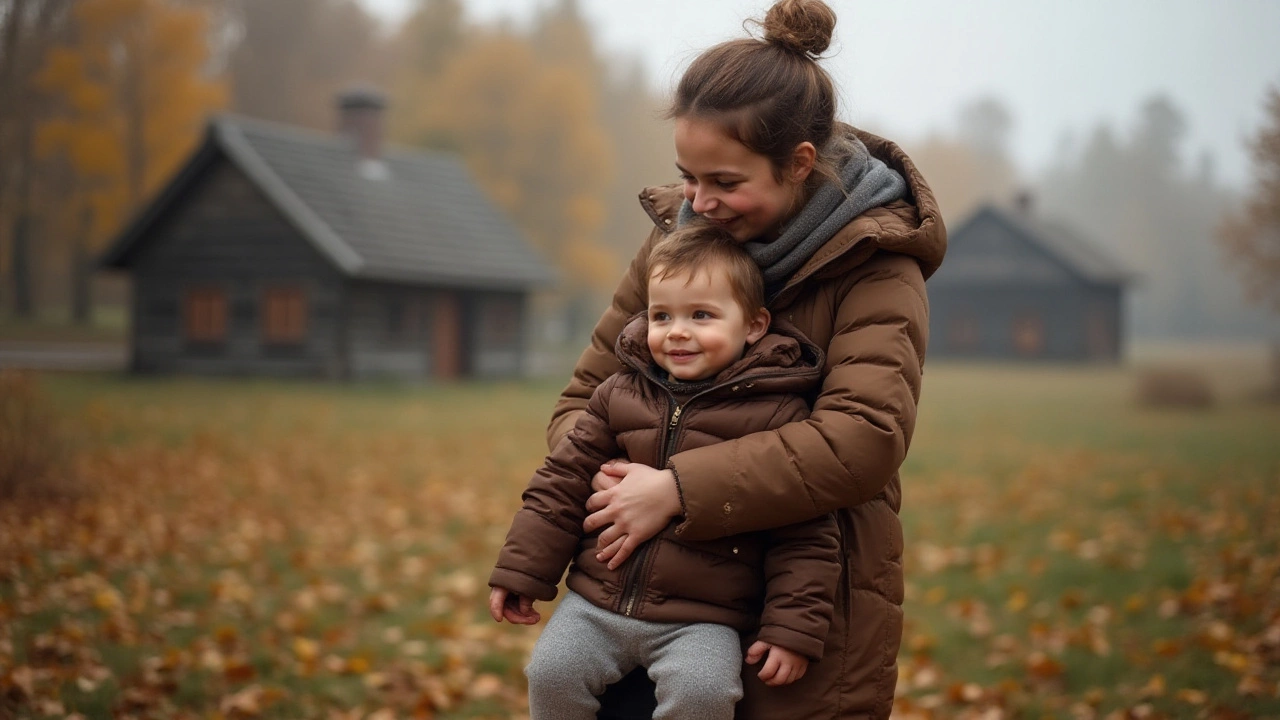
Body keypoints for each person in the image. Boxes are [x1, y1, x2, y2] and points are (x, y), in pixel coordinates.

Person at [548, 1, 947, 718]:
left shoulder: (877, 266)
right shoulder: (678, 238)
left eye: (726, 182)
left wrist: (674, 490)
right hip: (636, 595)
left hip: (795, 612)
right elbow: (586, 396)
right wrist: (608, 478)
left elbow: (863, 439)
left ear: (798, 164)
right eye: (689, 176)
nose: (699, 203)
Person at [488, 223, 842, 720]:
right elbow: (559, 484)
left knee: (705, 694)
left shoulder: (778, 416)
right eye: (661, 315)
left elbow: (807, 533)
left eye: (701, 315)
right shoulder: (619, 393)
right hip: (595, 603)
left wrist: (792, 630)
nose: (677, 331)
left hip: (703, 619)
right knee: (551, 673)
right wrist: (522, 571)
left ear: (755, 325)